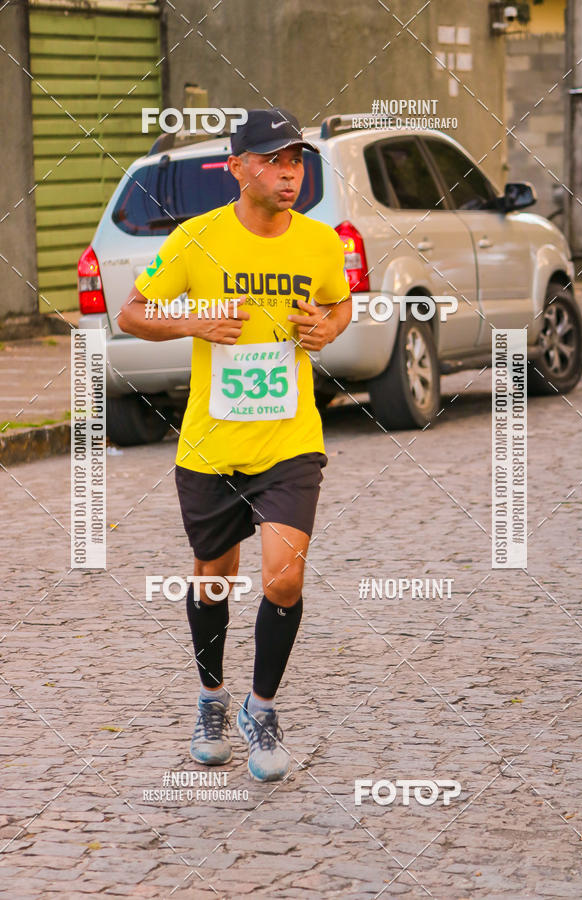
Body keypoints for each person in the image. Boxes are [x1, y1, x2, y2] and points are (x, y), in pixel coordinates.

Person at [119, 108, 351, 782]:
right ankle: (212, 698)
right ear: (239, 165)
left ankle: (263, 706)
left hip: (289, 439)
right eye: (276, 160)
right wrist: (197, 321)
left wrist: (326, 329)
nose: (290, 173)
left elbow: (342, 304)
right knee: (214, 578)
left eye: (297, 161)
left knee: (283, 576)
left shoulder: (319, 242)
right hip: (212, 444)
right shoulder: (196, 239)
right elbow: (131, 311)